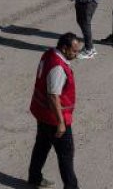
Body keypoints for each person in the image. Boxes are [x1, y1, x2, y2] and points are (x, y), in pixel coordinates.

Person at [27, 32, 81, 189]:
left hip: (42, 112)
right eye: (74, 51)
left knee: (42, 145)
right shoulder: (58, 68)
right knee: (66, 155)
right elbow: (53, 96)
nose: (76, 54)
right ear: (64, 48)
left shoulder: (49, 54)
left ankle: (34, 177)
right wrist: (60, 122)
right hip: (54, 118)